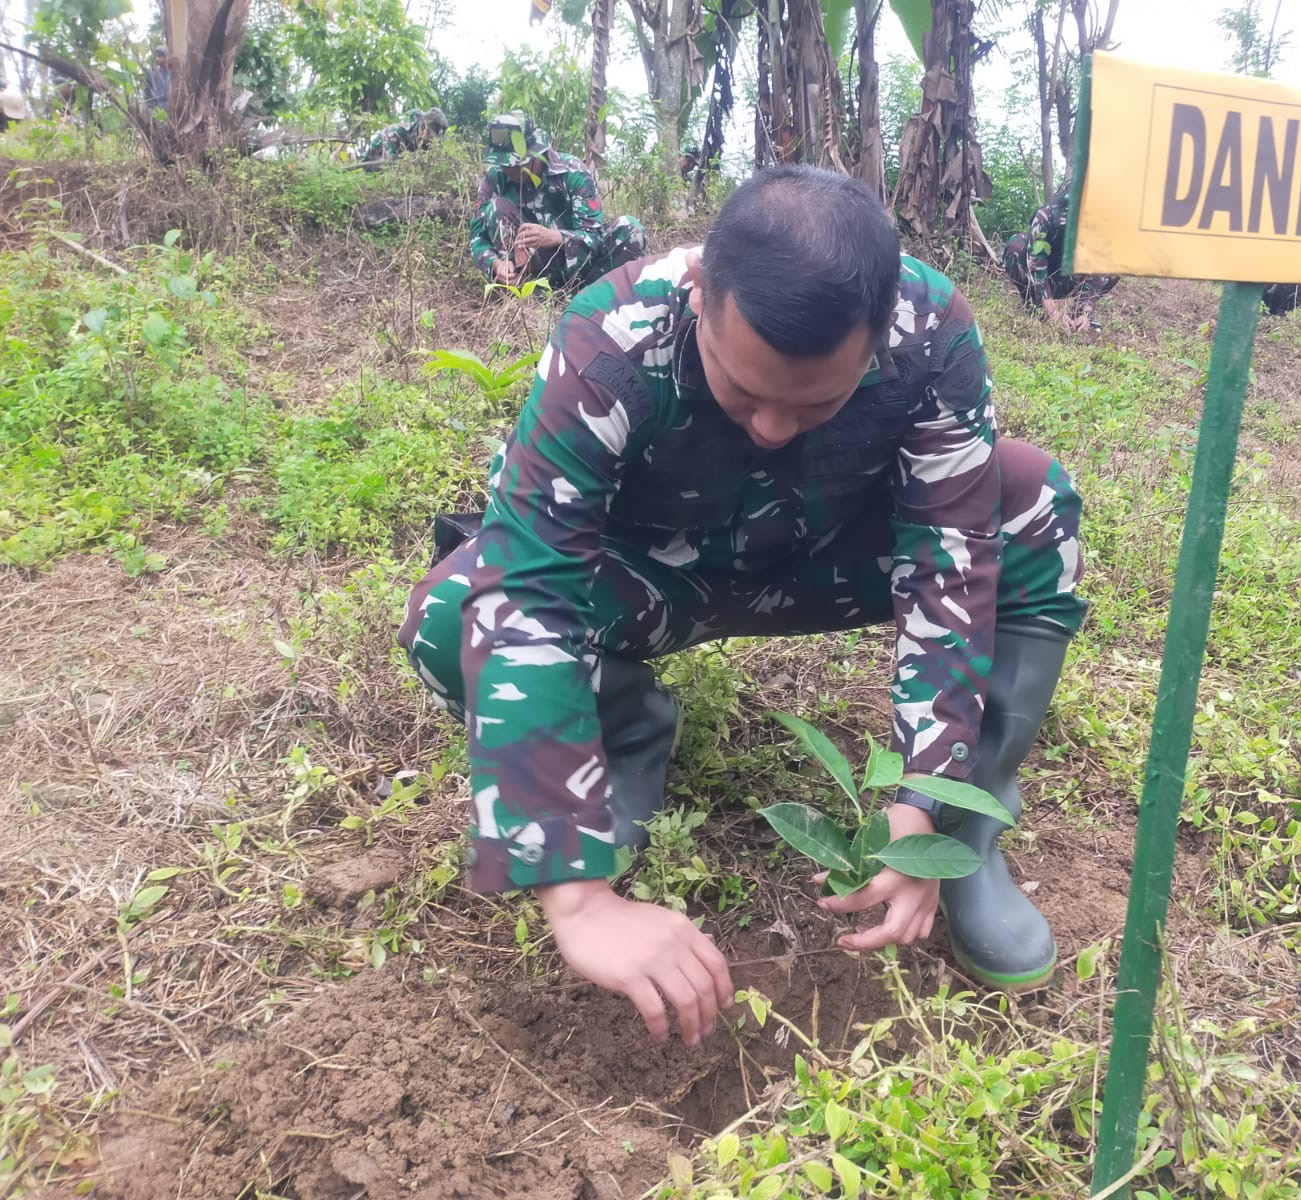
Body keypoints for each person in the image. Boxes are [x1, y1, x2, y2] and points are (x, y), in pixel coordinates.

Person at [402, 166, 1088, 1045]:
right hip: (653, 577)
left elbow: (947, 568)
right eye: (742, 387)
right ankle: (627, 729)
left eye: (813, 401)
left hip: (829, 563)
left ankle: (971, 843)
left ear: (879, 337)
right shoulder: (608, 337)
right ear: (697, 294)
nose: (769, 425)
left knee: (1029, 494)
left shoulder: (932, 330)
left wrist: (923, 814)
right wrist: (577, 898)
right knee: (455, 609)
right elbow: (531, 584)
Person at [468, 126, 646, 290]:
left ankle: (607, 295)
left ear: (534, 155)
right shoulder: (496, 177)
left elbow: (595, 237)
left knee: (630, 228)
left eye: (514, 164)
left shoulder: (573, 173)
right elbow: (477, 237)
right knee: (497, 207)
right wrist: (495, 263)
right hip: (534, 273)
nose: (507, 170)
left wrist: (557, 237)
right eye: (503, 164)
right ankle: (525, 296)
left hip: (583, 267)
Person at [1003, 183, 1117, 332]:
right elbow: (1036, 266)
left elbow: (1098, 270)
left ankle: (1075, 318)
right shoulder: (1044, 217)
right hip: (1044, 277)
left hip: (1070, 277)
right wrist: (1052, 311)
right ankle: (1034, 305)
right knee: (1015, 245)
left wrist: (1086, 312)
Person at [358, 107, 447, 166]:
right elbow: (389, 166)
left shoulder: (430, 143)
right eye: (430, 137)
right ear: (424, 129)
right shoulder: (395, 133)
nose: (432, 142)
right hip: (373, 166)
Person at [141, 45, 171, 113]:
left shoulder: (173, 73)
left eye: (160, 56)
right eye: (157, 56)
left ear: (167, 57)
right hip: (155, 110)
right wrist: (149, 109)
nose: (157, 59)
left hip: (170, 110)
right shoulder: (151, 73)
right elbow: (147, 95)